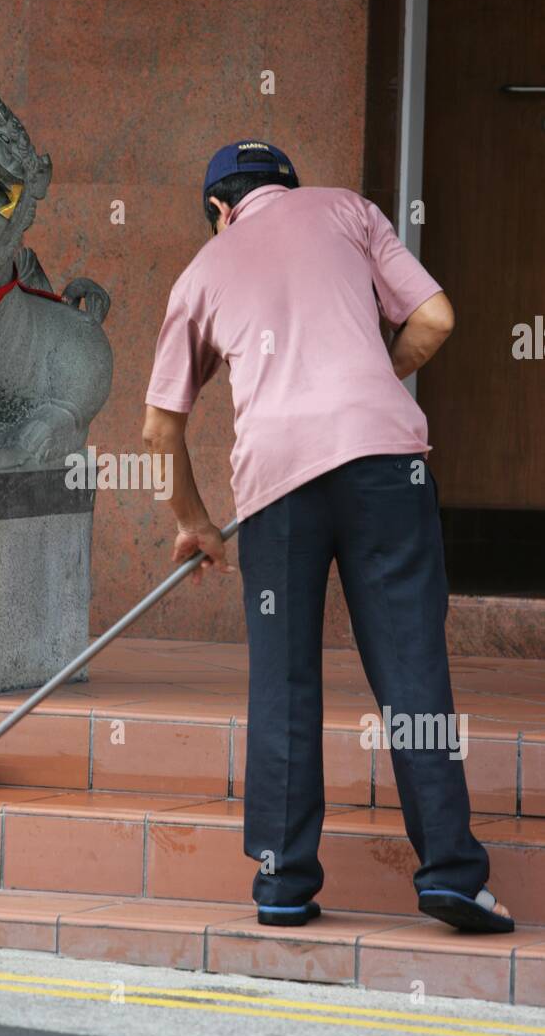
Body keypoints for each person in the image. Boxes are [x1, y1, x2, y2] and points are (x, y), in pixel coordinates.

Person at [142, 141, 513, 933]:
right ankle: (451, 874)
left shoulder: (203, 272)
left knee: (283, 683)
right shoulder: (349, 209)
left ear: (219, 209)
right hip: (386, 467)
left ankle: (283, 884)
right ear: (289, 187)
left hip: (278, 488)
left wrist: (193, 523)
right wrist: (371, 375)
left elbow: (157, 427)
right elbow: (435, 317)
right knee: (413, 668)